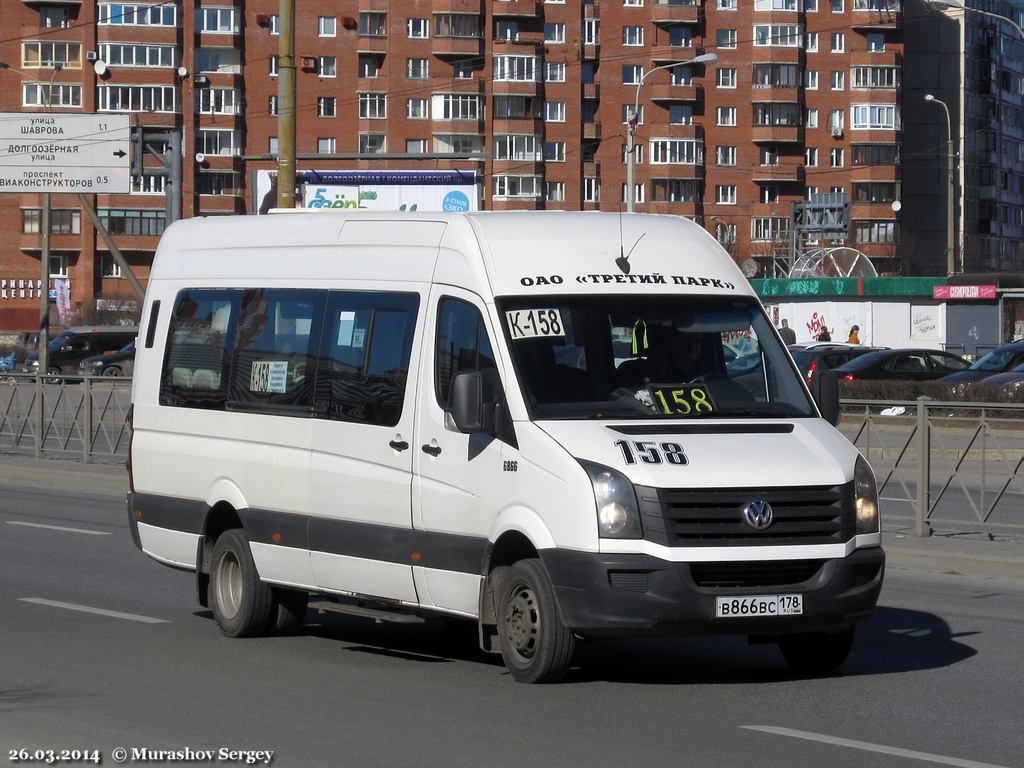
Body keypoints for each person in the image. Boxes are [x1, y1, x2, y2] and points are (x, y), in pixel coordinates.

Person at [617, 324, 703, 386]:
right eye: (686, 341)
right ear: (671, 343)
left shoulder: (706, 369)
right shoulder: (640, 372)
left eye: (698, 341)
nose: (693, 345)